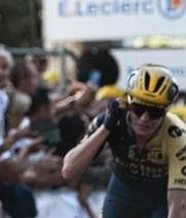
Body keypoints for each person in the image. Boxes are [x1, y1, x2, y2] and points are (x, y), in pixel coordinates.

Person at [62, 64, 186, 218]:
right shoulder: (111, 121)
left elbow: (178, 205)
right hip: (124, 192)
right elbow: (68, 171)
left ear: (166, 110)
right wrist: (105, 129)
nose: (144, 118)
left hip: (162, 197)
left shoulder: (177, 136)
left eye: (155, 112)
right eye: (138, 108)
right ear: (128, 103)